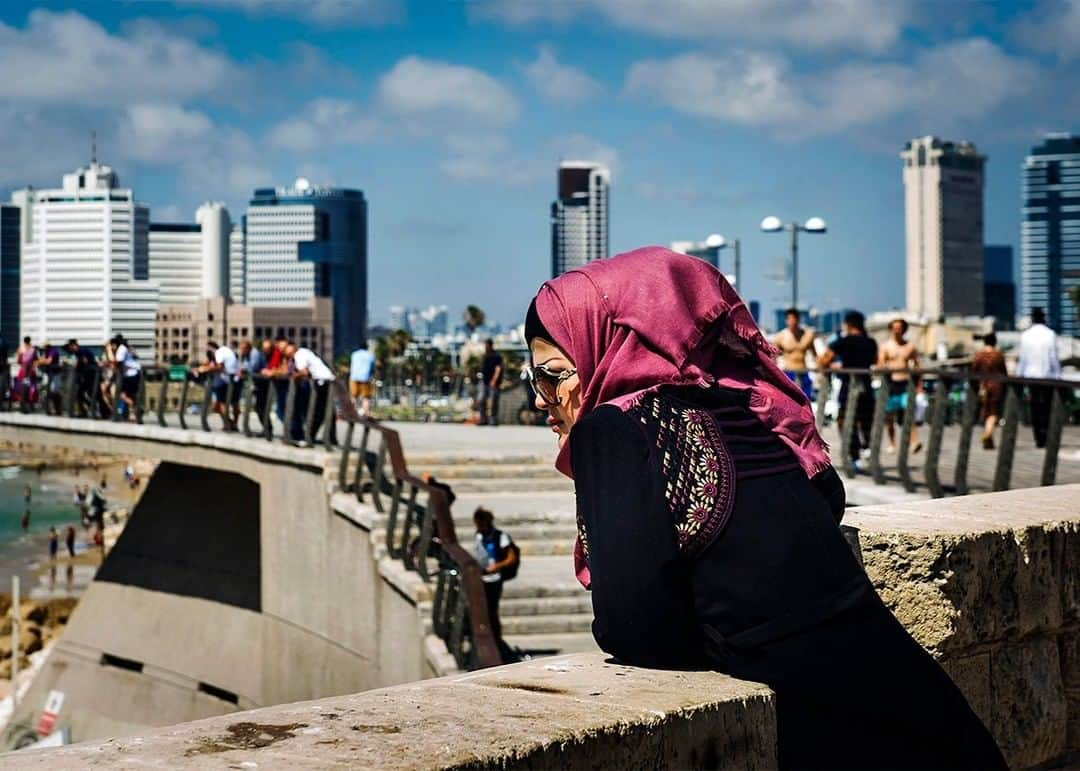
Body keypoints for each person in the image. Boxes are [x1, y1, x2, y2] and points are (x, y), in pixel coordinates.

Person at [523, 247, 1004, 770]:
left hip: (834, 732)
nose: (541, 398)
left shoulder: (613, 430)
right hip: (926, 715)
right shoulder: (745, 405)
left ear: (605, 341)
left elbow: (633, 631)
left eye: (551, 374)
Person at [818, 311, 878, 469]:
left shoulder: (843, 341)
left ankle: (854, 457)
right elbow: (876, 361)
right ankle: (868, 448)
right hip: (866, 386)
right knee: (865, 420)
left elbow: (823, 360)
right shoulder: (871, 342)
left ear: (849, 324)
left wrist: (834, 366)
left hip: (848, 387)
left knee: (845, 421)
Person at [473, 507, 519, 663]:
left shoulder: (500, 537)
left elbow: (511, 558)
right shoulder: (479, 536)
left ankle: (497, 640)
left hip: (494, 579)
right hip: (481, 579)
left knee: (492, 610)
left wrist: (496, 567)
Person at [1017, 307, 1061, 448]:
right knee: (1047, 407)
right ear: (1044, 318)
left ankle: (1038, 438)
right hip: (1047, 377)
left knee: (1035, 407)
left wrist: (1019, 376)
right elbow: (1054, 358)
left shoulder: (1025, 335)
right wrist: (1058, 375)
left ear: (1032, 319)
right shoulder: (1050, 334)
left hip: (1031, 377)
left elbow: (1023, 359)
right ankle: (1046, 434)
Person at [877, 318, 922, 454]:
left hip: (905, 382)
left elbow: (918, 366)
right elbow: (879, 364)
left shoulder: (910, 347)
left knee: (909, 412)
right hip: (890, 384)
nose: (897, 330)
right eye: (895, 327)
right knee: (889, 416)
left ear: (904, 329)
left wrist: (919, 385)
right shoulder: (885, 346)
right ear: (891, 329)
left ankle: (914, 441)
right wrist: (884, 367)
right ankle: (892, 443)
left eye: (899, 328)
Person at [286, 343, 336, 444]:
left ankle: (309, 436)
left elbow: (304, 372)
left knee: (318, 411)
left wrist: (295, 375)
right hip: (329, 380)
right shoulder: (305, 352)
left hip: (322, 382)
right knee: (328, 411)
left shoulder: (298, 356)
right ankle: (331, 438)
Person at [192, 341, 241, 430]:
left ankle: (231, 425)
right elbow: (207, 364)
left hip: (227, 382)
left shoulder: (219, 354)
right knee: (217, 406)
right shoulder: (214, 356)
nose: (207, 350)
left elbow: (219, 367)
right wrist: (199, 368)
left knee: (229, 404)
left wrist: (206, 369)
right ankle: (230, 423)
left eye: (209, 348)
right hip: (221, 384)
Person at [972, 333, 1008, 450]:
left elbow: (974, 371)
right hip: (996, 386)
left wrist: (976, 386)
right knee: (993, 413)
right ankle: (987, 434)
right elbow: (1004, 373)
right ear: (994, 342)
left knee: (986, 411)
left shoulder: (978, 355)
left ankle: (988, 440)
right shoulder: (998, 355)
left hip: (983, 386)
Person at [773, 308, 815, 399]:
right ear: (786, 320)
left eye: (794, 319)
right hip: (789, 373)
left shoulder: (807, 336)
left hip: (803, 371)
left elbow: (815, 355)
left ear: (798, 319)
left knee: (806, 400)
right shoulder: (780, 337)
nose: (792, 321)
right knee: (790, 402)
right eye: (790, 319)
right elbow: (773, 357)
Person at [111, 335, 142, 419]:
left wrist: (110, 363)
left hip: (130, 375)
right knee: (130, 394)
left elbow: (118, 362)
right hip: (134, 373)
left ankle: (133, 409)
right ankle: (132, 413)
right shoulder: (127, 348)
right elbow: (136, 357)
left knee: (121, 394)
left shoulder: (121, 348)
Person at [478, 340, 503, 426]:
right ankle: (483, 419)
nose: (485, 347)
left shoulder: (496, 356)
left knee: (493, 401)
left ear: (490, 346)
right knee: (481, 400)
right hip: (484, 381)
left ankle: (493, 419)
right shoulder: (485, 355)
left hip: (494, 383)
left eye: (486, 345)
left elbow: (498, 369)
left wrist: (494, 380)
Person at [37, 340, 64, 414]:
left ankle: (57, 409)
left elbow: (48, 361)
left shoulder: (53, 351)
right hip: (48, 374)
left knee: (54, 391)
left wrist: (39, 361)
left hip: (55, 374)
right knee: (46, 392)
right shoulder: (46, 352)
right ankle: (48, 409)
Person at [349, 343, 376, 416]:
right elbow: (373, 368)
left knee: (353, 396)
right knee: (366, 397)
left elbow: (352, 365)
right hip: (365, 378)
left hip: (354, 377)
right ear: (366, 347)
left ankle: (351, 412)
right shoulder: (370, 355)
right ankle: (366, 413)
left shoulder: (354, 354)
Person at [14, 336, 38, 408]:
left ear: (24, 341)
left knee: (21, 387)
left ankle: (22, 403)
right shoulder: (33, 349)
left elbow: (18, 361)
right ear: (30, 341)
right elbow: (36, 360)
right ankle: (31, 404)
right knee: (31, 387)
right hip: (30, 371)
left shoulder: (21, 349)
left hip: (23, 370)